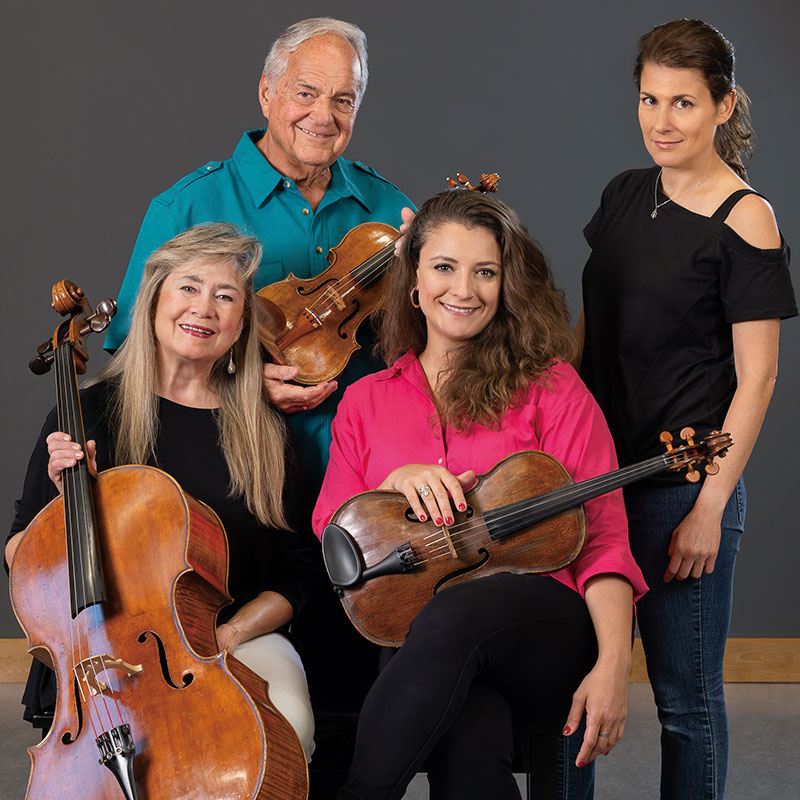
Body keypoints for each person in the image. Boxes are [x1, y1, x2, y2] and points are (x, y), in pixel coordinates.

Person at [312, 190, 648, 800]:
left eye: (484, 272)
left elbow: (604, 537)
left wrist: (613, 668)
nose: (463, 289)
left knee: (445, 618)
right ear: (413, 281)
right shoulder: (365, 401)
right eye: (444, 267)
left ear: (504, 285)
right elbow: (333, 536)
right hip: (430, 639)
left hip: (547, 630)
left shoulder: (552, 387)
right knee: (472, 732)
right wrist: (392, 487)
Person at [577, 19, 797, 800]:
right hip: (595, 483)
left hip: (681, 487)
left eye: (683, 102)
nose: (661, 121)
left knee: (686, 705)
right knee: (579, 695)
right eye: (649, 99)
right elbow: (593, 332)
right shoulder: (624, 193)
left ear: (724, 106)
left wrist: (708, 509)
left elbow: (759, 378)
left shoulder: (747, 217)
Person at [6, 223, 321, 761]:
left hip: (233, 636)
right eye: (189, 288)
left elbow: (300, 572)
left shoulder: (264, 431)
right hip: (104, 647)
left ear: (240, 324)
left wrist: (231, 634)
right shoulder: (84, 414)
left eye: (225, 297)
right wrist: (62, 509)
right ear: (153, 301)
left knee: (284, 727)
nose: (204, 308)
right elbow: (18, 556)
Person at [102, 17, 413, 492]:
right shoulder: (188, 206)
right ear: (267, 92)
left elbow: (432, 346)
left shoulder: (391, 209)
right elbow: (134, 352)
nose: (323, 116)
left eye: (343, 100)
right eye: (306, 92)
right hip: (234, 481)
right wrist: (236, 384)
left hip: (373, 481)